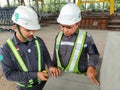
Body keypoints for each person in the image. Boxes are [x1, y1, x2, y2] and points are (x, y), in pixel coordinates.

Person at [0, 6, 53, 90]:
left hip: (43, 84)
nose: (32, 33)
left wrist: (50, 65)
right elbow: (9, 74)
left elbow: (45, 55)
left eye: (33, 29)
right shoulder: (6, 49)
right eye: (28, 30)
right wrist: (36, 75)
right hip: (24, 88)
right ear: (15, 28)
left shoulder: (38, 41)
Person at [49, 3, 100, 85]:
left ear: (78, 23)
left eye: (68, 27)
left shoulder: (87, 38)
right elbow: (55, 55)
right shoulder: (58, 37)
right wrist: (52, 65)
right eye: (62, 26)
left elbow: (94, 54)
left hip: (79, 77)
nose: (65, 30)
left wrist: (91, 67)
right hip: (61, 76)